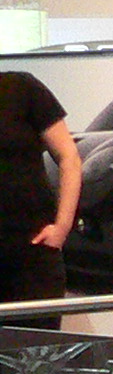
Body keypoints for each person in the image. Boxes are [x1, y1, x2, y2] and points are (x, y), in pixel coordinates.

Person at [0, 72, 78, 304]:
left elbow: (69, 158)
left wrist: (62, 228)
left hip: (33, 253)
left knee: (40, 328)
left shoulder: (22, 88)